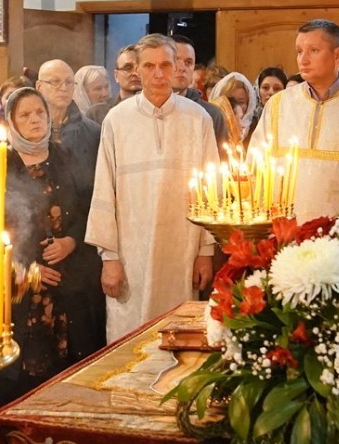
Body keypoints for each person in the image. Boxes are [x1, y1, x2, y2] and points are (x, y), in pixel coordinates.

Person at [0, 87, 106, 417]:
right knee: (23, 361)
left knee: (72, 351)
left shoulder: (66, 157)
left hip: (68, 272)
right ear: (11, 121)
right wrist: (27, 266)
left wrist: (71, 241)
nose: (35, 120)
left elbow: (88, 206)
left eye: (40, 113)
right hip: (20, 279)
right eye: (25, 115)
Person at [86, 34, 217, 341]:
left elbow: (211, 190)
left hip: (181, 252)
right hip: (130, 254)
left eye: (165, 65)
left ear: (176, 68)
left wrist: (205, 251)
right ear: (137, 69)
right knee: (128, 341)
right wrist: (109, 258)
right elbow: (105, 190)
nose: (158, 73)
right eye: (149, 66)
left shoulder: (198, 118)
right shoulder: (117, 120)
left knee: (179, 337)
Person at [247, 20, 339, 221]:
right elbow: (255, 169)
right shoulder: (279, 105)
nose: (303, 60)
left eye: (313, 50)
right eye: (299, 51)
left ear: (337, 55)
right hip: (282, 231)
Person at [37, 58, 102, 183]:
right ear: (39, 86)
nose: (64, 88)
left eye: (69, 82)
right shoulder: (29, 129)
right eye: (55, 82)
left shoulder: (94, 133)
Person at [170, 34, 230, 149]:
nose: (182, 68)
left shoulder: (211, 114)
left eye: (188, 62)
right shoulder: (145, 108)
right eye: (176, 60)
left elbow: (221, 157)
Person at [87, 45, 140, 124]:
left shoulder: (157, 111)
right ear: (116, 75)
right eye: (128, 68)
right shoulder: (97, 114)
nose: (135, 73)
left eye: (140, 67)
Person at [209, 71, 256, 149]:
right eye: (230, 101)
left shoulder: (255, 129)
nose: (237, 106)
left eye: (241, 102)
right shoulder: (213, 128)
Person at [246, 65, 287, 137]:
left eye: (277, 89)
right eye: (265, 88)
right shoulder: (250, 121)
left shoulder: (290, 118)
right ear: (258, 90)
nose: (271, 92)